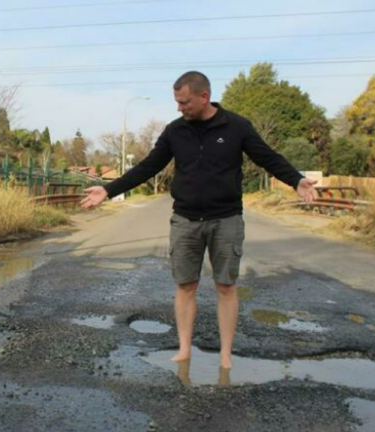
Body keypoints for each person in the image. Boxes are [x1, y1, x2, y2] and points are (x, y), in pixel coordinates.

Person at [81, 71, 317, 369]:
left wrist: (295, 180)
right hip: (185, 221)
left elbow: (267, 157)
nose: (179, 108)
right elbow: (147, 167)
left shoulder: (236, 126)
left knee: (226, 286)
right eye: (177, 102)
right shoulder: (174, 131)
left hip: (227, 220)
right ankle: (184, 349)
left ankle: (226, 355)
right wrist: (109, 189)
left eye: (184, 102)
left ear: (203, 97)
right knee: (185, 285)